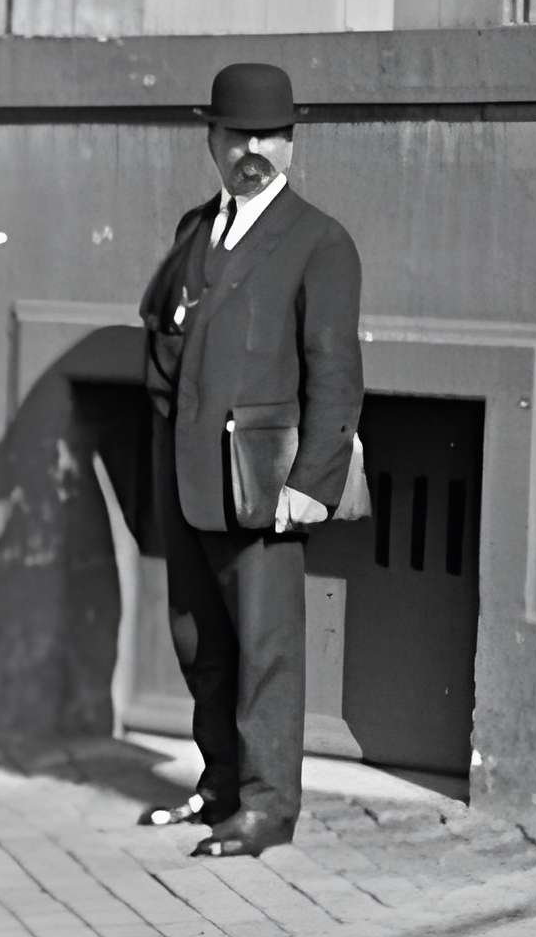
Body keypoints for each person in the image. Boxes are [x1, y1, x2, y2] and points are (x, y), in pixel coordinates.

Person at [132, 59, 364, 860]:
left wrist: (313, 484)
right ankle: (222, 783)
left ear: (292, 143)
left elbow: (335, 372)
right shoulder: (195, 230)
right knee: (199, 637)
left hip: (264, 482)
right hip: (188, 472)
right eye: (238, 134)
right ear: (212, 139)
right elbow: (165, 338)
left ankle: (269, 807)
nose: (253, 150)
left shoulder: (319, 243)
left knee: (267, 647)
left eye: (269, 135)